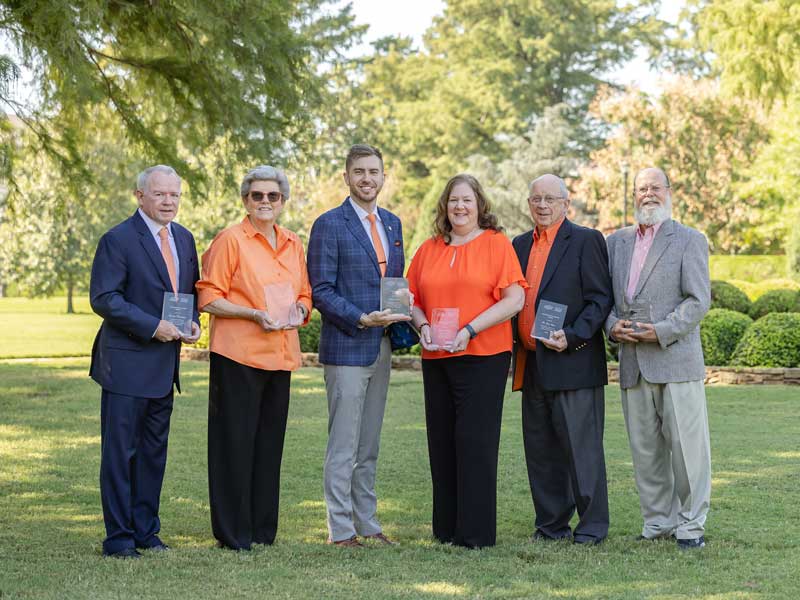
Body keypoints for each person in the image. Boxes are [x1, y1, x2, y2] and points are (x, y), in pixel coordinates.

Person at [196, 165, 312, 551]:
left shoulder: (294, 242)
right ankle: (233, 533)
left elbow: (305, 294)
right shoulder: (230, 240)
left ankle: (263, 531)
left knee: (268, 446)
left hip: (280, 356)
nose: (265, 202)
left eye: (272, 196)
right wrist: (253, 314)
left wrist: (300, 310)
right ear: (245, 200)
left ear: (282, 201)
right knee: (234, 444)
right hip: (238, 356)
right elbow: (209, 297)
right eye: (257, 196)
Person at [407, 173, 526, 549]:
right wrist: (422, 325)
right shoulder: (429, 248)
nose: (460, 207)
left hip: (483, 356)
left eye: (467, 200)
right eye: (454, 200)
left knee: (474, 442)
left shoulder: (496, 244)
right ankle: (445, 529)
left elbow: (514, 300)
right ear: (445, 206)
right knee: (441, 440)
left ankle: (474, 534)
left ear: (480, 206)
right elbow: (408, 298)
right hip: (437, 356)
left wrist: (470, 329)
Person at [90, 165, 201, 558]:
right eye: (160, 194)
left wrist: (192, 323)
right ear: (140, 196)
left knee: (153, 455)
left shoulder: (185, 240)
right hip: (125, 365)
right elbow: (104, 298)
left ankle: (146, 532)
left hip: (163, 368)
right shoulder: (118, 239)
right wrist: (154, 326)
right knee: (120, 455)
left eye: (174, 195)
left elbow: (189, 295)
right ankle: (118, 539)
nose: (169, 201)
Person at [307, 144, 410, 547]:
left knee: (369, 444)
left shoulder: (393, 224)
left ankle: (367, 523)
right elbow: (321, 290)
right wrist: (361, 317)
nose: (367, 179)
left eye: (374, 172)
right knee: (344, 444)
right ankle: (341, 529)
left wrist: (401, 308)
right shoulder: (329, 224)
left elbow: (394, 284)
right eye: (359, 172)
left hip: (380, 346)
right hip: (348, 345)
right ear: (347, 178)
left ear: (384, 177)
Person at [605, 167, 711, 550]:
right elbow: (603, 299)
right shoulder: (615, 243)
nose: (648, 194)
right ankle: (657, 523)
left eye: (654, 187)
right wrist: (611, 325)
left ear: (669, 191)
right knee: (645, 449)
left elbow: (699, 300)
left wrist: (662, 330)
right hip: (632, 361)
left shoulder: (689, 240)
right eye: (641, 188)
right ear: (634, 195)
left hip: (675, 359)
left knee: (687, 450)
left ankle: (690, 524)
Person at [510, 174, 613, 545]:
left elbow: (600, 300)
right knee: (540, 451)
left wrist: (569, 336)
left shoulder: (586, 240)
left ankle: (591, 528)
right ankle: (551, 526)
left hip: (573, 362)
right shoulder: (518, 245)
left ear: (566, 204)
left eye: (550, 199)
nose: (542, 205)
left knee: (582, 451)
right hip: (532, 363)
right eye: (536, 198)